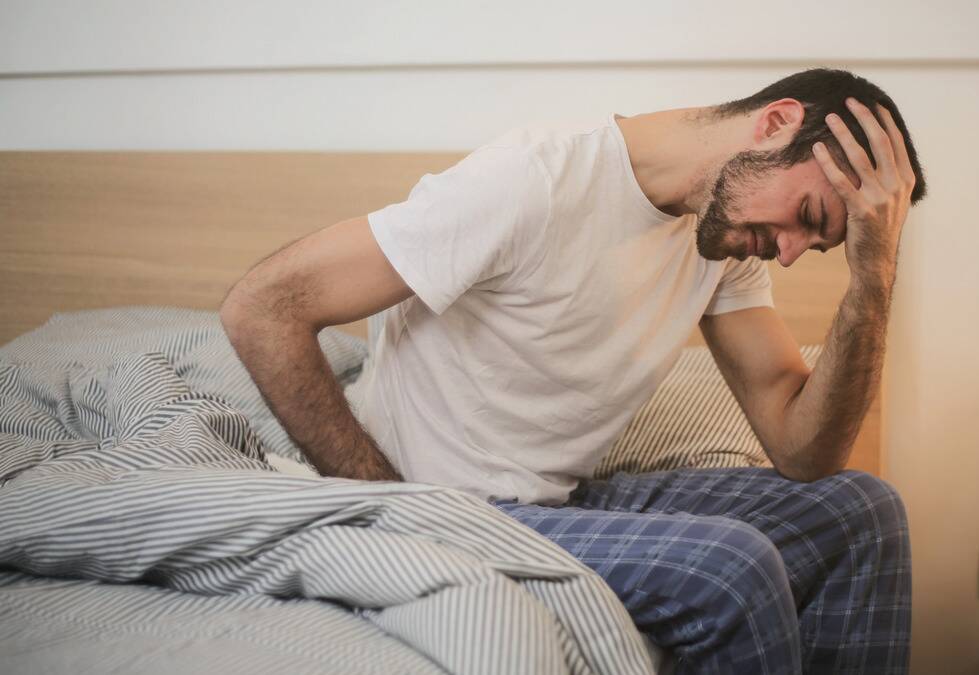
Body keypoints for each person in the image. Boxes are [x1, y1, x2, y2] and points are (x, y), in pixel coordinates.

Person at [221, 68, 927, 674]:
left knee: (863, 511)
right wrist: (391, 503)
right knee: (731, 567)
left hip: (555, 501)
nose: (794, 250)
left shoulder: (724, 239)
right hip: (451, 504)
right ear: (775, 123)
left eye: (820, 242)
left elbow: (804, 450)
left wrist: (872, 276)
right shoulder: (535, 180)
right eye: (807, 215)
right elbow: (263, 307)